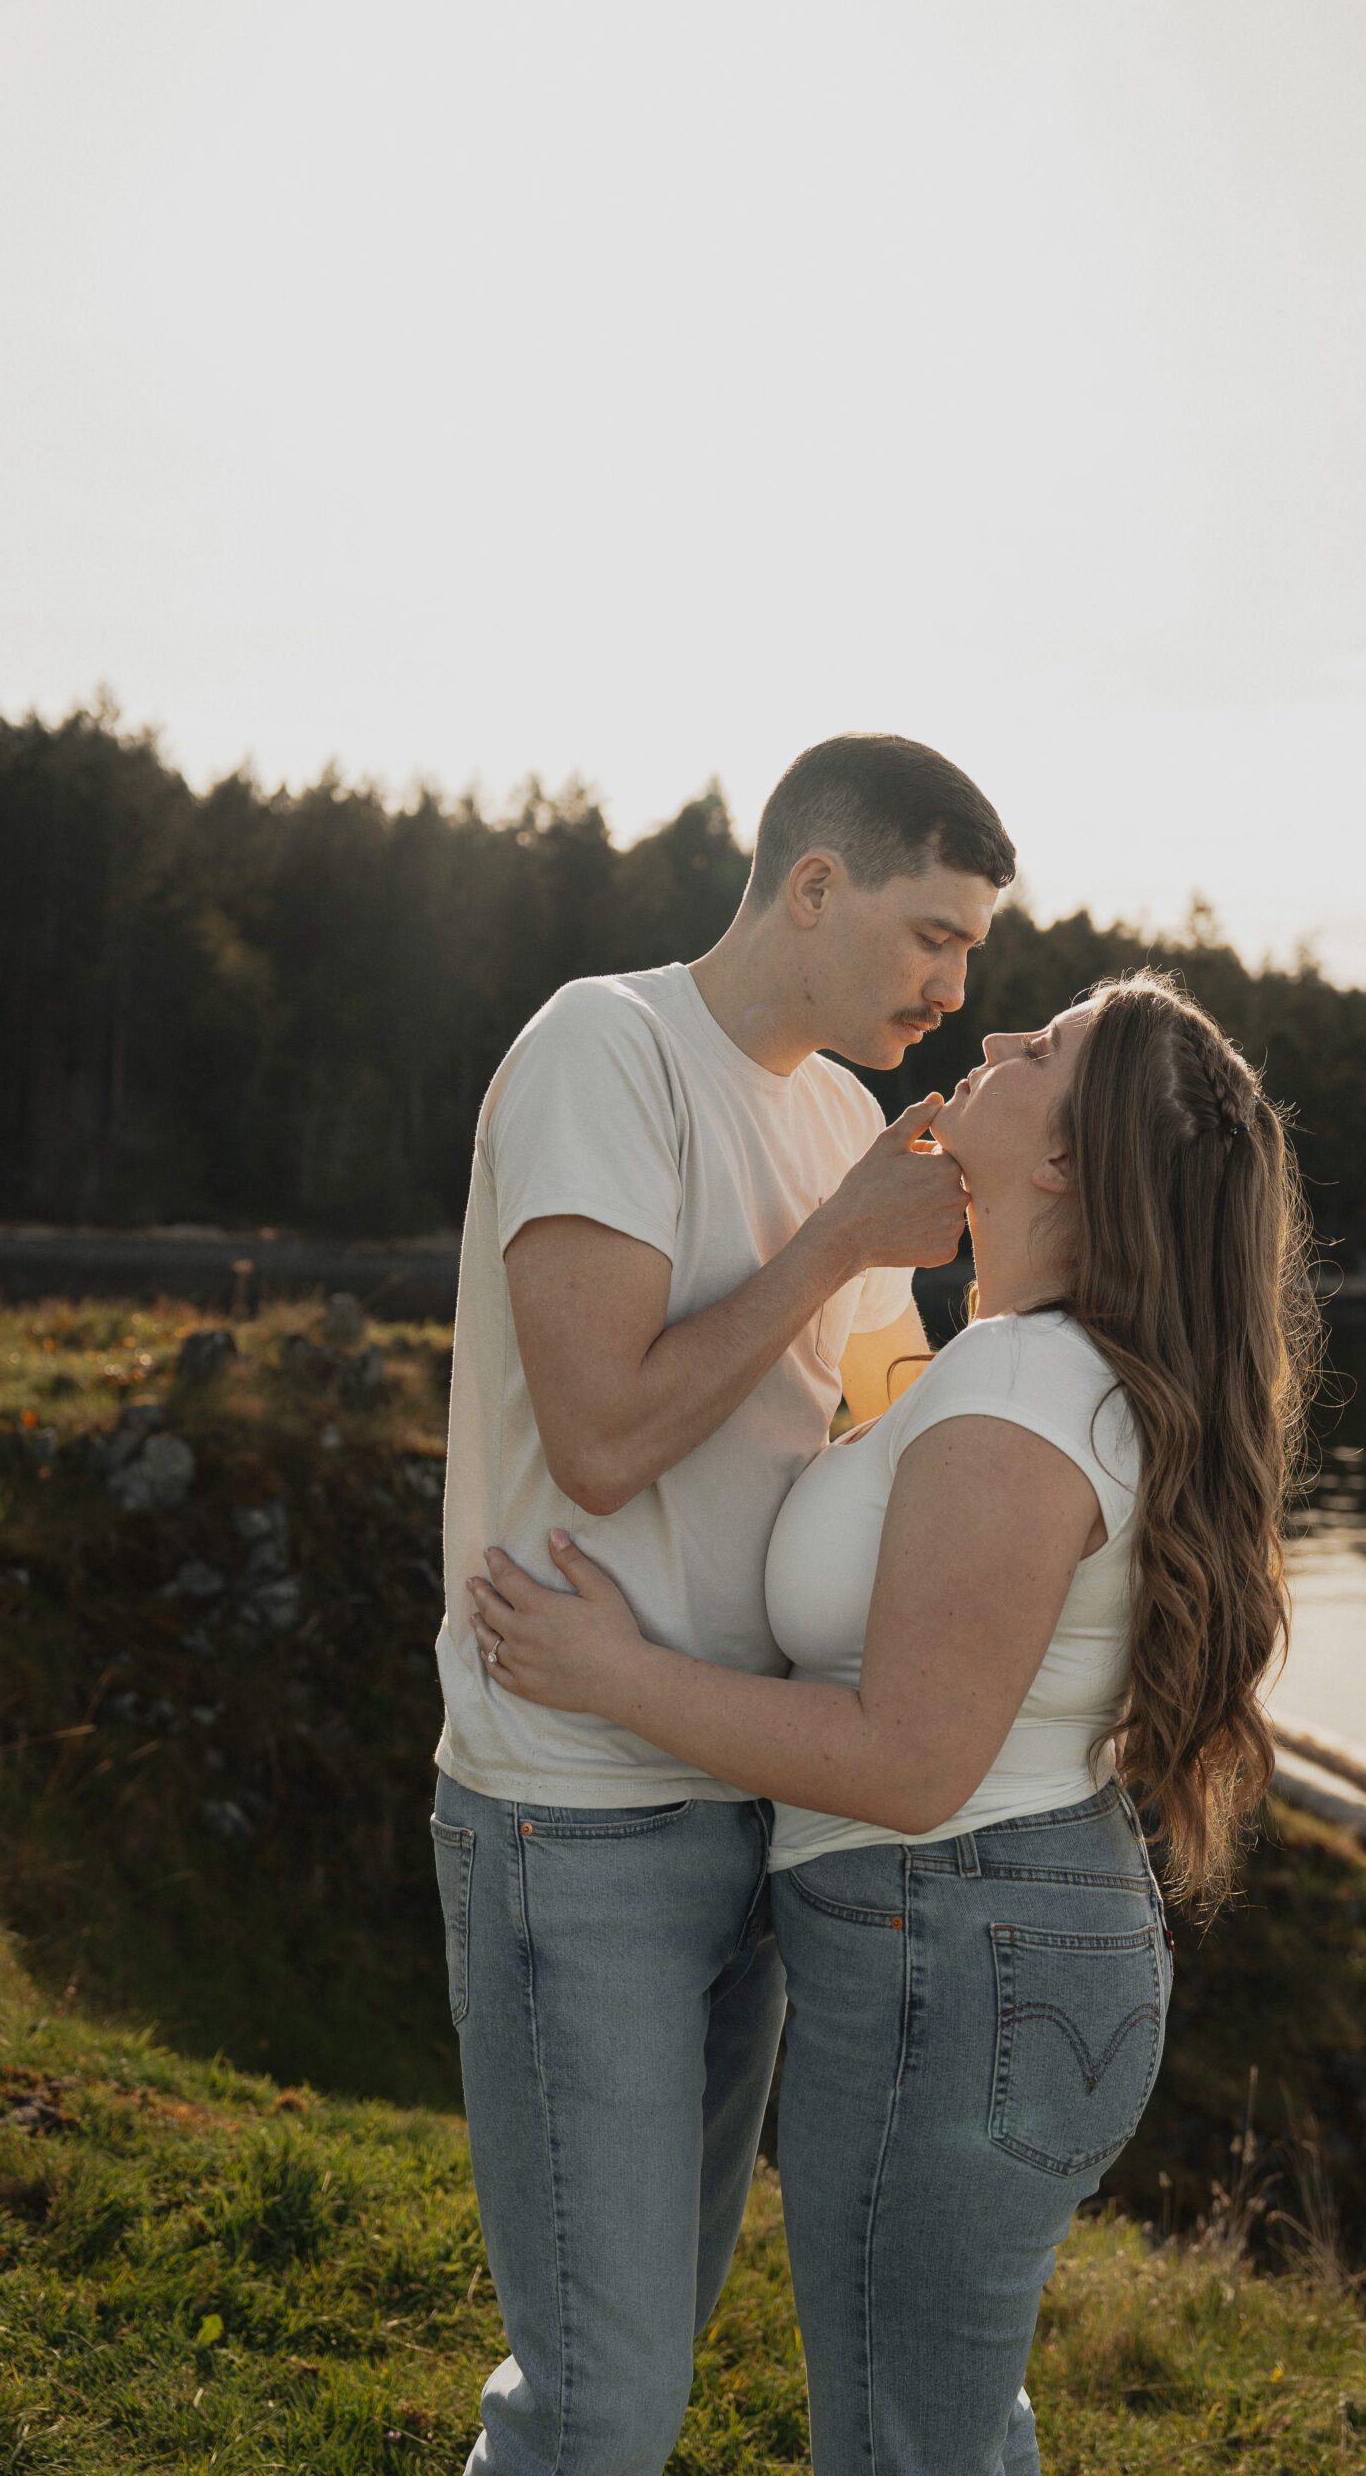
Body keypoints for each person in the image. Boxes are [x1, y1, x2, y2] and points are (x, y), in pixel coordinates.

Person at [466, 969, 1321, 2476]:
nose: (991, 1035)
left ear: (1065, 1165)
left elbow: (911, 1763)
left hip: (961, 1959)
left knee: (906, 2446)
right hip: (993, 1949)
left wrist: (612, 1675)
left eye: (1042, 1048)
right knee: (939, 2433)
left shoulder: (1022, 1388)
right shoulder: (1026, 1365)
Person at [431, 732, 1015, 2475]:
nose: (955, 988)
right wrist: (839, 1242)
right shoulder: (605, 1048)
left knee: (647, 2351)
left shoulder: (838, 1120)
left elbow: (874, 1445)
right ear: (814, 886)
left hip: (759, 1802)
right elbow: (601, 1440)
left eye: (973, 949)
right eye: (933, 934)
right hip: (575, 1813)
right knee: (600, 2406)